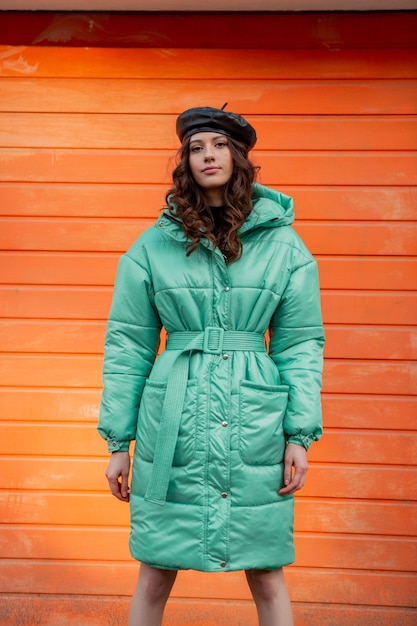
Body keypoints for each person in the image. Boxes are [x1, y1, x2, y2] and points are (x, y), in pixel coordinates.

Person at [98, 104, 325, 626]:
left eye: (219, 145)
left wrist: (299, 435)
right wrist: (118, 444)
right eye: (196, 147)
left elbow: (300, 345)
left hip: (256, 421)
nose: (208, 156)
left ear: (239, 157)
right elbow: (128, 344)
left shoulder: (285, 247)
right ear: (185, 163)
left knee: (266, 569)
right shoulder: (153, 246)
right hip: (173, 417)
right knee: (155, 567)